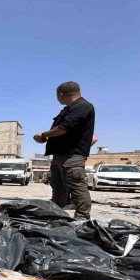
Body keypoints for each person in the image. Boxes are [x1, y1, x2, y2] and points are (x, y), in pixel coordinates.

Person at [33, 81, 96, 219]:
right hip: (60, 155)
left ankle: (82, 217)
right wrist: (47, 138)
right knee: (58, 185)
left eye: (57, 96)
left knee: (76, 186)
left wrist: (44, 135)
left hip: (72, 156)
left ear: (61, 95)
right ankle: (56, 212)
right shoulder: (70, 109)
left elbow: (64, 128)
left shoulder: (82, 106)